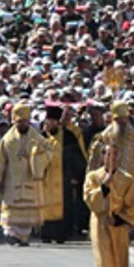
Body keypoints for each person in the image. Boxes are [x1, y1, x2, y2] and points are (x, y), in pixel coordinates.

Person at [0, 103, 54, 246]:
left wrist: (37, 157)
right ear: (14, 121)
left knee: (27, 210)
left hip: (30, 179)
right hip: (12, 179)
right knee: (11, 209)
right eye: (19, 122)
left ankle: (23, 237)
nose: (22, 124)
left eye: (25, 122)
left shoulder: (37, 138)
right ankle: (11, 234)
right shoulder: (8, 139)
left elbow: (49, 153)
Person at [84, 142, 134, 267]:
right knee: (103, 261)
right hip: (100, 224)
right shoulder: (94, 177)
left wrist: (122, 217)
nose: (111, 159)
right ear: (103, 157)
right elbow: (89, 198)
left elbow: (131, 202)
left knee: (117, 260)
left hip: (118, 224)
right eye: (108, 155)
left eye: (115, 155)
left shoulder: (128, 178)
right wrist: (103, 188)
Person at [40, 104, 86, 244]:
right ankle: (46, 234)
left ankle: (61, 234)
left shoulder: (68, 136)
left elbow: (77, 157)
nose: (51, 124)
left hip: (63, 178)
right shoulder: (41, 137)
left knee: (63, 207)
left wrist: (75, 176)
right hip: (45, 179)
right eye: (49, 122)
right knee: (45, 206)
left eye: (54, 121)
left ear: (58, 122)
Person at [87, 101, 134, 178]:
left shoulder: (133, 136)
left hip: (130, 181)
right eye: (119, 119)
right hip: (109, 180)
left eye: (125, 118)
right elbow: (94, 164)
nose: (123, 121)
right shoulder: (103, 137)